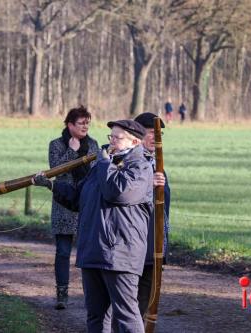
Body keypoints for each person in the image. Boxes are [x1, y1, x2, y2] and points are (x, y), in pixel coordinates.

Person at [33, 119, 153, 333]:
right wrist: (52, 185)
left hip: (120, 254)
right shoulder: (101, 166)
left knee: (126, 314)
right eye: (111, 137)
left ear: (135, 142)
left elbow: (118, 192)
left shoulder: (140, 167)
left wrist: (105, 163)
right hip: (92, 250)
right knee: (95, 316)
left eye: (118, 137)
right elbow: (79, 198)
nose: (112, 141)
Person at [47, 105, 99, 310]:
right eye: (81, 122)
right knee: (62, 252)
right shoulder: (56, 145)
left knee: (89, 253)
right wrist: (72, 151)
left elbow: (95, 173)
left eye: (88, 122)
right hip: (63, 204)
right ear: (70, 125)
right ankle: (62, 295)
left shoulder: (94, 145)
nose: (85, 126)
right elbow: (55, 170)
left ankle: (92, 296)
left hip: (87, 204)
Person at [133, 112, 171, 319]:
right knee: (129, 308)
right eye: (151, 133)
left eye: (159, 134)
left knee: (146, 305)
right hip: (134, 248)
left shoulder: (158, 164)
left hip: (154, 249)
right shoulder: (127, 162)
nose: (156, 138)